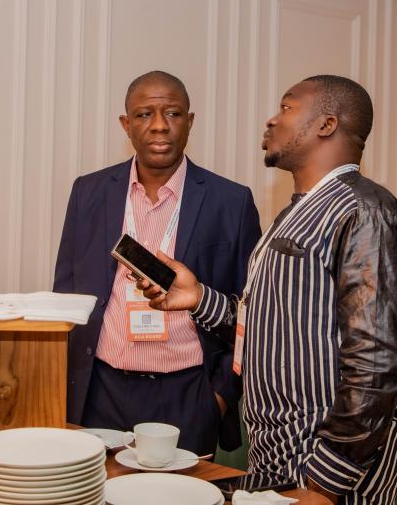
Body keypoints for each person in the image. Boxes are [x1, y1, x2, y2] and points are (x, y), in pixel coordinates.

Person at [142, 75, 397, 504]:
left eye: (287, 108)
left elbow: (380, 363)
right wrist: (197, 298)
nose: (272, 120)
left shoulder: (364, 210)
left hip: (328, 466)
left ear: (326, 124)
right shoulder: (298, 211)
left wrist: (326, 482)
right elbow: (272, 323)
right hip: (281, 452)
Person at [53, 70, 261, 456]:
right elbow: (65, 293)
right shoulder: (88, 192)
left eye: (173, 113)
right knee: (99, 488)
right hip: (100, 391)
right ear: (126, 124)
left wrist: (218, 397)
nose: (160, 125)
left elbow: (251, 311)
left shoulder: (231, 202)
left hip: (189, 394)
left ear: (190, 121)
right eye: (145, 114)